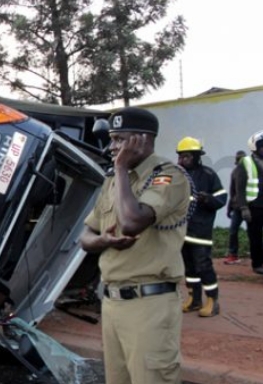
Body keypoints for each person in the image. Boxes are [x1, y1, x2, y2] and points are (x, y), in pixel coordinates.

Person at [80, 107, 190, 384]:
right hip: (112, 302)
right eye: (113, 139)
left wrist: (119, 168)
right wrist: (102, 241)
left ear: (142, 139)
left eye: (120, 139)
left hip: (150, 304)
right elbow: (85, 236)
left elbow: (131, 222)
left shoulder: (168, 175)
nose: (113, 147)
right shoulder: (114, 180)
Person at [176, 137, 227, 317]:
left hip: (200, 231)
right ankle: (194, 299)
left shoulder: (208, 174)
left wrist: (208, 199)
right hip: (183, 232)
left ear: (197, 156)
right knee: (189, 268)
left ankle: (212, 301)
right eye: (180, 157)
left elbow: (222, 198)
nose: (183, 160)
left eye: (187, 156)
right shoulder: (178, 175)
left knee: (203, 266)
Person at [232, 131, 263, 275]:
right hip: (254, 207)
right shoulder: (246, 162)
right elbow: (239, 188)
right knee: (255, 236)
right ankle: (257, 264)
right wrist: (244, 207)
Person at [224, 150, 247, 264]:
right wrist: (229, 208)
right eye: (239, 159)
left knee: (255, 232)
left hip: (250, 207)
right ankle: (233, 255)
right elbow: (232, 192)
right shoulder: (234, 172)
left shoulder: (252, 172)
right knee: (233, 231)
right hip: (237, 208)